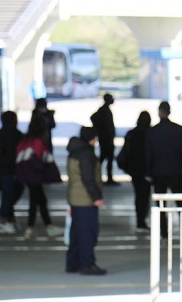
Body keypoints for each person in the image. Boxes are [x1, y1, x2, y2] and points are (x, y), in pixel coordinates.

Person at [145, 101, 182, 240]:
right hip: (176, 172)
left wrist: (148, 172)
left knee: (161, 205)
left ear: (159, 112)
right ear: (169, 111)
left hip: (158, 173)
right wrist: (177, 161)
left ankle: (164, 233)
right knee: (181, 204)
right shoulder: (179, 130)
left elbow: (148, 154)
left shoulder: (152, 132)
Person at [65, 126, 107, 275]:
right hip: (85, 200)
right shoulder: (86, 155)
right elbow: (88, 178)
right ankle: (87, 264)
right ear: (91, 139)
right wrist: (96, 197)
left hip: (75, 198)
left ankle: (72, 263)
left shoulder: (74, 152)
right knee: (88, 233)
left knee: (76, 233)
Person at [16, 115, 63, 240]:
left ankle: (46, 227)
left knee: (40, 201)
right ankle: (32, 228)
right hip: (35, 176)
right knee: (35, 202)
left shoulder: (25, 140)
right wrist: (46, 172)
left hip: (26, 175)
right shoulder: (37, 141)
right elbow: (38, 160)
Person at [0, 111, 25, 234]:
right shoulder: (15, 135)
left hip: (6, 169)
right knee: (9, 194)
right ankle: (4, 219)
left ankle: (7, 216)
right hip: (9, 169)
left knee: (9, 194)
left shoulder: (3, 134)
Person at [120, 111, 152, 233]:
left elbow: (126, 151)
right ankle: (142, 220)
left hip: (134, 170)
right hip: (146, 170)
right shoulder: (150, 134)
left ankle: (140, 220)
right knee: (145, 195)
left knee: (138, 195)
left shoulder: (131, 134)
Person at [91, 93, 119, 186]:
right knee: (105, 158)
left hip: (106, 138)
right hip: (106, 139)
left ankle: (105, 177)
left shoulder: (105, 110)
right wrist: (101, 130)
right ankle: (102, 177)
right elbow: (93, 118)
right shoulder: (103, 110)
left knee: (106, 158)